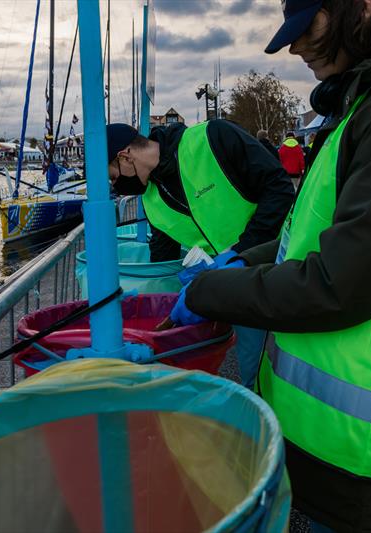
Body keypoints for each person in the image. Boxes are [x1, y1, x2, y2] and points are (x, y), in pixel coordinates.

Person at [169, 0, 371, 531]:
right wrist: (244, 259)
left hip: (369, 448)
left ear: (362, 8)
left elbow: (339, 285)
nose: (296, 46)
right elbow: (318, 239)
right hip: (338, 435)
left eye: (308, 28)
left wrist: (211, 291)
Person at [106, 120, 295, 388]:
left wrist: (243, 252)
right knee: (258, 373)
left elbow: (278, 187)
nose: (116, 186)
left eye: (113, 176)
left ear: (124, 156)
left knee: (299, 358)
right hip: (240, 289)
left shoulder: (213, 137)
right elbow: (164, 258)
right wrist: (160, 311)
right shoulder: (150, 201)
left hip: (286, 262)